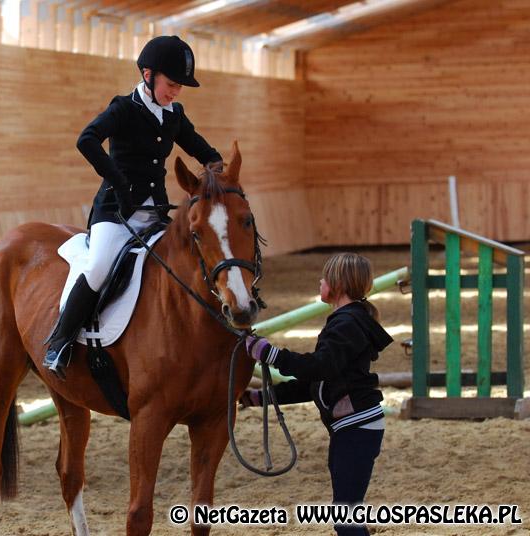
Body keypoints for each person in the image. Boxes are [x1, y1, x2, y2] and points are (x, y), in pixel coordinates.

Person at [43, 35, 224, 379]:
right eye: (171, 84)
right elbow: (86, 139)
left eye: (180, 87)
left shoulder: (174, 115)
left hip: (155, 215)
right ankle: (60, 342)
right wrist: (117, 179)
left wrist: (217, 171)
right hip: (115, 213)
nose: (175, 92)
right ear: (148, 75)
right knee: (99, 267)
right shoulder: (124, 109)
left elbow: (203, 150)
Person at [242, 252, 392, 536]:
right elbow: (316, 382)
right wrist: (261, 398)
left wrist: (271, 354)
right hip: (352, 428)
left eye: (325, 277)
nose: (320, 281)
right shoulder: (347, 321)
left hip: (356, 429)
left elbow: (317, 367)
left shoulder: (347, 324)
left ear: (339, 284)